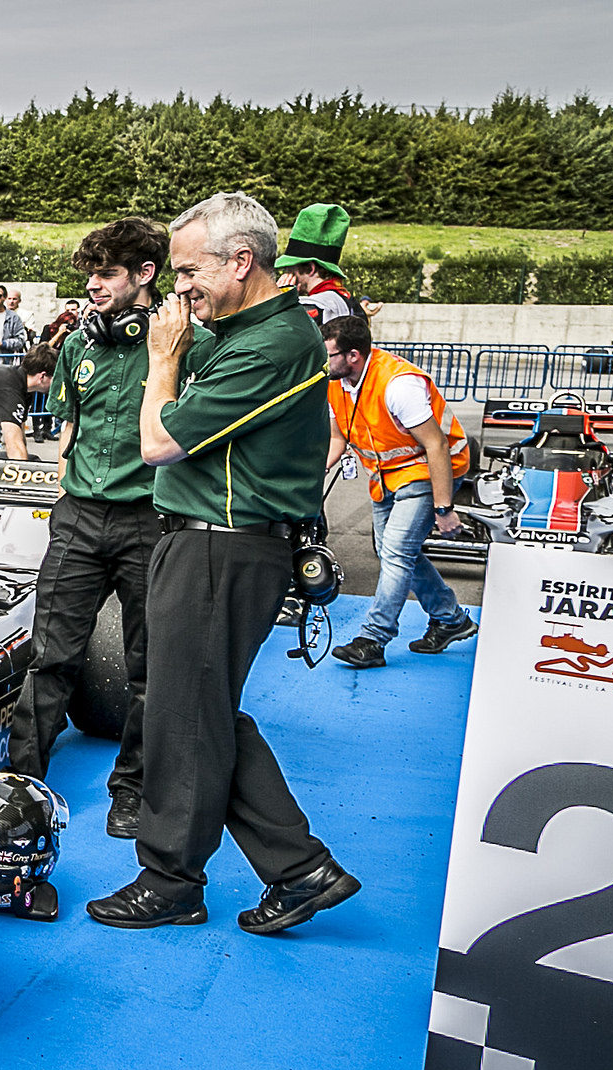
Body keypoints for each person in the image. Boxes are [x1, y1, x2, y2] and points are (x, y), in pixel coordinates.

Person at [87, 190, 358, 936]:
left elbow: (159, 442)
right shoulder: (250, 329)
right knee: (197, 711)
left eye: (186, 272)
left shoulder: (274, 343)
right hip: (206, 541)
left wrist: (161, 362)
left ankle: (173, 878)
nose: (179, 288)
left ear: (242, 261)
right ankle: (298, 869)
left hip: (224, 545)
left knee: (186, 714)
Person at [8, 219, 172, 839]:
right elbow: (68, 430)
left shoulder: (181, 344)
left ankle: (130, 790)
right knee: (50, 656)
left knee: (148, 667)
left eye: (106, 274)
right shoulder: (79, 345)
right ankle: (23, 787)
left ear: (144, 275)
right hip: (77, 517)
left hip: (149, 523)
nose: (93, 287)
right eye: (89, 275)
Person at [320, 315, 477, 668]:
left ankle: (373, 640)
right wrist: (315, 472)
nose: (321, 361)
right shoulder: (335, 381)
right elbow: (338, 437)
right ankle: (450, 618)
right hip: (386, 477)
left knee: (395, 551)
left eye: (327, 354)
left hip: (427, 471)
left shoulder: (398, 385)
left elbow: (436, 445)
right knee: (390, 550)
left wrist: (444, 508)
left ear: (354, 356)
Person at [273, 203, 357, 325]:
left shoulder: (309, 309)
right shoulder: (352, 303)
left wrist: (278, 302)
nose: (287, 275)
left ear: (310, 269)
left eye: (290, 270)